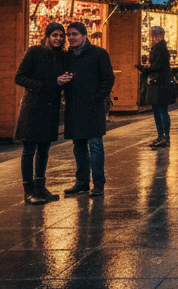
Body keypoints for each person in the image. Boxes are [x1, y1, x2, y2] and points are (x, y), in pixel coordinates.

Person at [14, 22, 70, 204]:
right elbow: (19, 77)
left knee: (44, 149)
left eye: (61, 36)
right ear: (47, 36)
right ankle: (28, 190)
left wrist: (64, 81)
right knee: (29, 149)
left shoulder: (61, 56)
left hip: (51, 106)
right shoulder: (34, 53)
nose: (58, 39)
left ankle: (41, 187)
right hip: (33, 106)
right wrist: (44, 85)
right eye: (55, 35)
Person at [63, 22, 115, 195]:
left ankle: (98, 183)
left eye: (74, 34)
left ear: (84, 36)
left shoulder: (99, 54)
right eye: (68, 34)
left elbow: (108, 79)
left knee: (95, 146)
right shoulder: (67, 56)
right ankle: (82, 182)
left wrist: (97, 98)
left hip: (92, 107)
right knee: (78, 146)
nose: (71, 38)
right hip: (75, 107)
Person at [137, 25, 174, 148]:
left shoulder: (160, 48)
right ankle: (162, 136)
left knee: (160, 110)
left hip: (159, 83)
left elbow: (158, 65)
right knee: (159, 110)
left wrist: (145, 68)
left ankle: (163, 136)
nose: (150, 38)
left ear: (156, 36)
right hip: (159, 82)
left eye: (152, 35)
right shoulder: (160, 47)